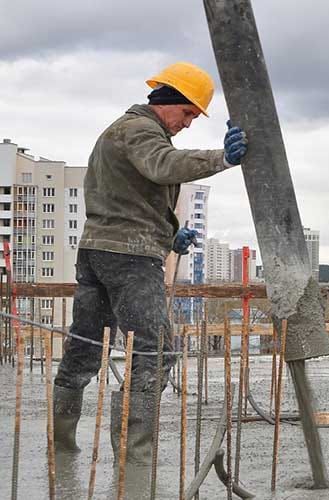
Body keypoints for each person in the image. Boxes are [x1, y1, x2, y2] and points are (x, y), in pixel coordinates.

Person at [52, 61, 248, 464]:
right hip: (128, 257)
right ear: (168, 101)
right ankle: (134, 457)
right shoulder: (142, 131)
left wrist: (167, 235)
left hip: (99, 251)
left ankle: (62, 446)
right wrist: (222, 160)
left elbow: (126, 199)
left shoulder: (123, 129)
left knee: (86, 347)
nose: (189, 123)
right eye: (189, 113)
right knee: (156, 351)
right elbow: (163, 166)